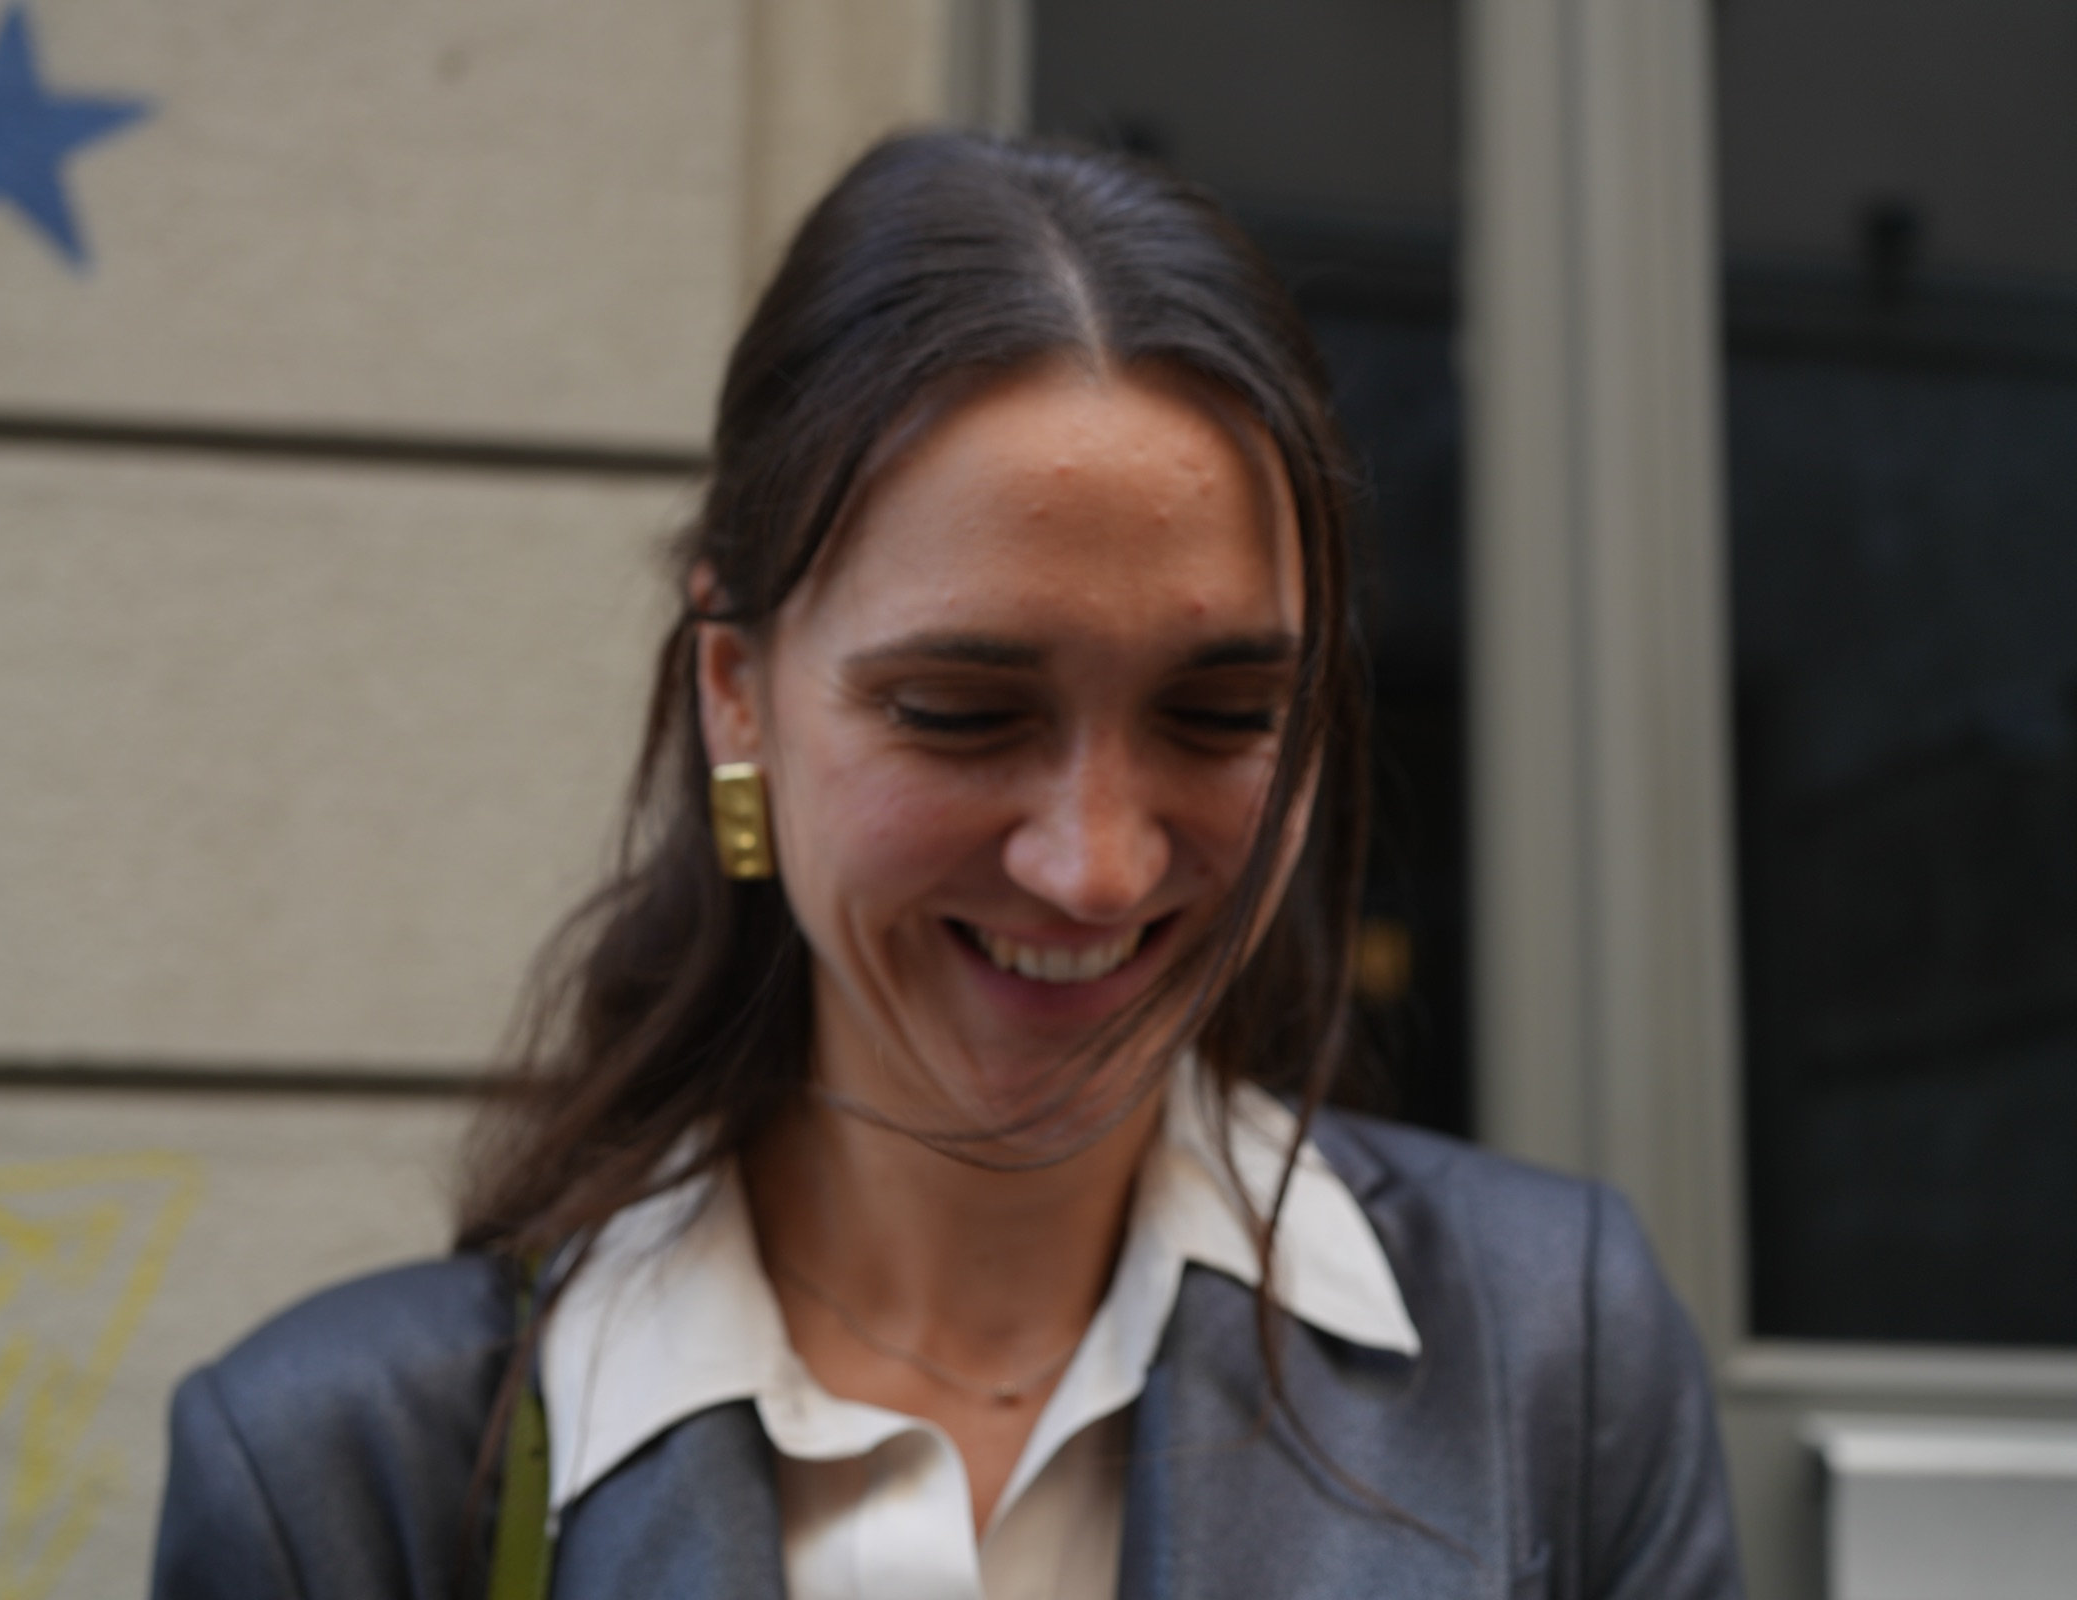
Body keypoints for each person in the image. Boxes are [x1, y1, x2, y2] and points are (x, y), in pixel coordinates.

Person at [150, 130, 1742, 1600]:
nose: (1097, 867)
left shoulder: (1553, 1360)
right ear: (735, 693)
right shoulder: (342, 1476)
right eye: (964, 714)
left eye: (1223, 713)